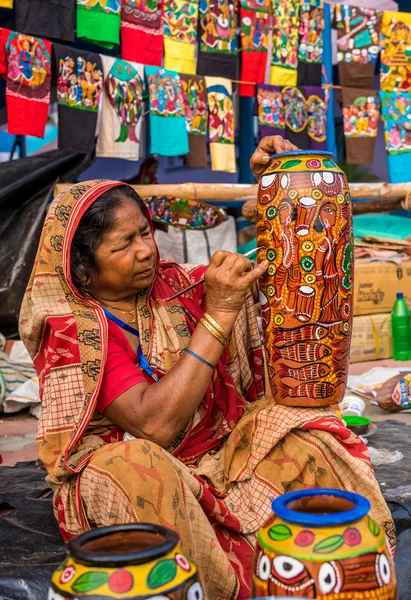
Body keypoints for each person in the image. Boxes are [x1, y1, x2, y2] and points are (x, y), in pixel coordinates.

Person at [20, 136, 394, 600]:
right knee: (136, 466)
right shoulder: (75, 328)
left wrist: (274, 195)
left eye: (145, 233)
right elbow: (153, 424)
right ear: (83, 270)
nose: (145, 251)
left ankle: (325, 569)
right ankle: (215, 587)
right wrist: (218, 315)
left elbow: (274, 271)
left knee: (306, 431)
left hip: (214, 451)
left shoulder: (175, 285)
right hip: (139, 465)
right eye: (124, 244)